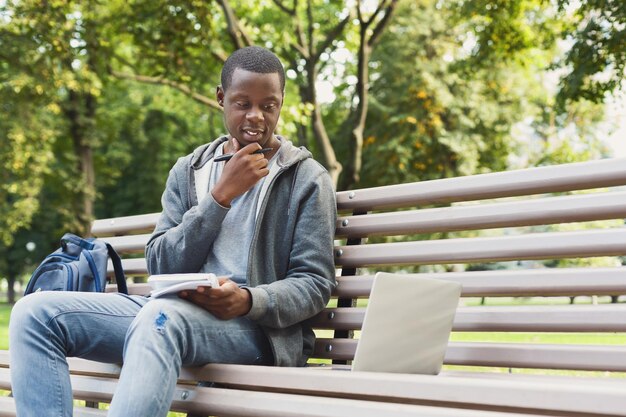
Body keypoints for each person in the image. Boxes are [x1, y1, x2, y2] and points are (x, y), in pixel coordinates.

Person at [9, 46, 337, 417]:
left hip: (255, 332)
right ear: (220, 98)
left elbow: (313, 283)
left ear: (281, 104)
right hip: (169, 312)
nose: (256, 116)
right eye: (242, 103)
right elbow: (161, 263)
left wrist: (247, 299)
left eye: (269, 105)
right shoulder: (190, 169)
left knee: (160, 319)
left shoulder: (306, 179)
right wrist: (219, 198)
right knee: (33, 313)